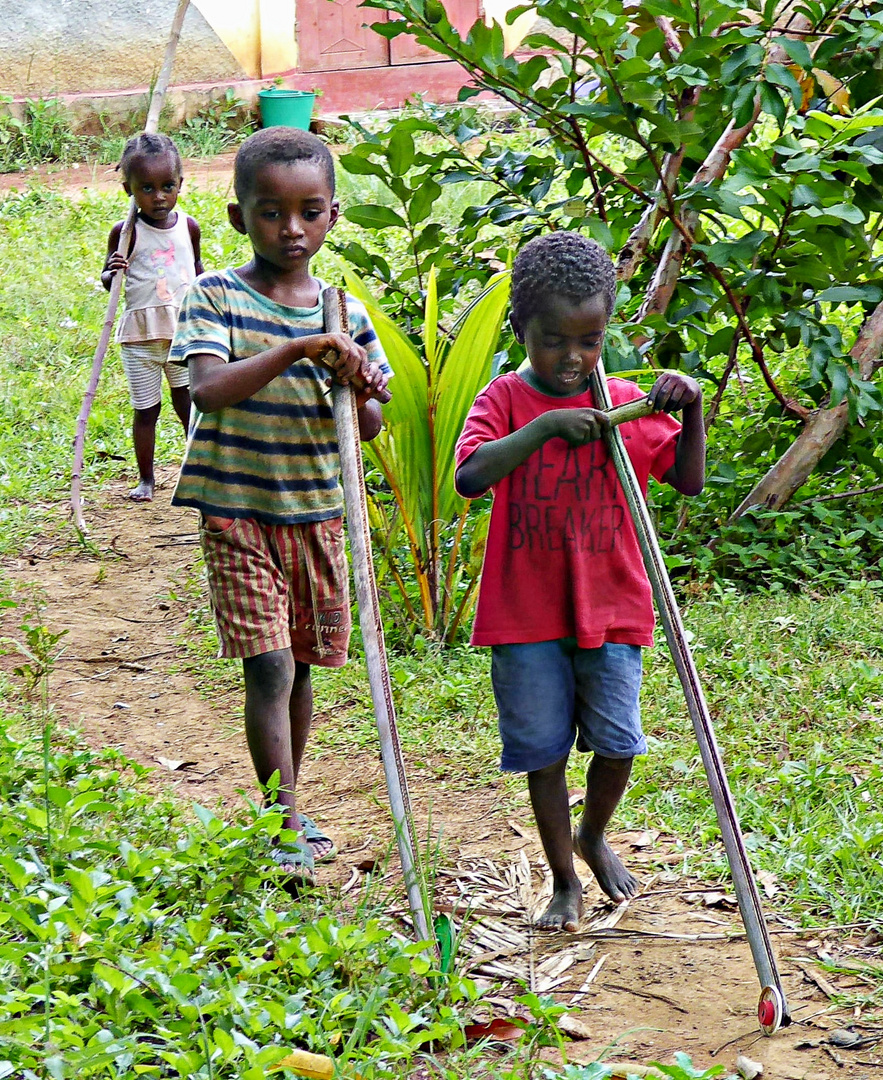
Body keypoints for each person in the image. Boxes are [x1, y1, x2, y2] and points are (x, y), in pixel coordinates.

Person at [454, 231, 706, 932]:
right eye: (552, 341)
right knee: (542, 752)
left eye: (588, 341)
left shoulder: (625, 402)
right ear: (520, 332)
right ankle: (562, 877)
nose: (572, 359)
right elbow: (469, 476)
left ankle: (592, 834)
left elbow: (686, 480)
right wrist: (543, 430)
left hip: (612, 607)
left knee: (618, 742)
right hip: (524, 614)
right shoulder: (503, 400)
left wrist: (690, 410)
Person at [169, 127, 390, 886]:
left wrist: (359, 385)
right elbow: (206, 390)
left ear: (332, 217)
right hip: (235, 508)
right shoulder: (214, 295)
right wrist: (298, 350)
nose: (289, 229)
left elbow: (365, 429)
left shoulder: (344, 309)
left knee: (299, 666)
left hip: (317, 512)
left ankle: (287, 799)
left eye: (308, 211)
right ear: (238, 218)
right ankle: (283, 817)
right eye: (269, 213)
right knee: (265, 665)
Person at [101, 133, 204, 502]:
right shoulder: (125, 232)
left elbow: (197, 270)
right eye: (146, 188)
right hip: (140, 339)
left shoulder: (188, 227)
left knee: (187, 402)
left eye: (167, 186)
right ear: (128, 188)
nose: (158, 196)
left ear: (180, 184)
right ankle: (147, 478)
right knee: (146, 410)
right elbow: (109, 279)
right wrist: (112, 270)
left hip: (182, 334)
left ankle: (199, 467)